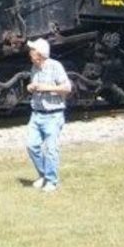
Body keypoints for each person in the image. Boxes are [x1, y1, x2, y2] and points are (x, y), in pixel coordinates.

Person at [25, 37, 72, 192]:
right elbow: (34, 85)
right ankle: (44, 174)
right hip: (36, 113)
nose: (30, 53)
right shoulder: (34, 68)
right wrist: (30, 87)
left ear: (40, 54)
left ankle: (51, 181)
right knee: (32, 145)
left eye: (32, 51)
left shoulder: (55, 66)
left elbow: (67, 88)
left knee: (51, 149)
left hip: (53, 114)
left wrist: (45, 88)